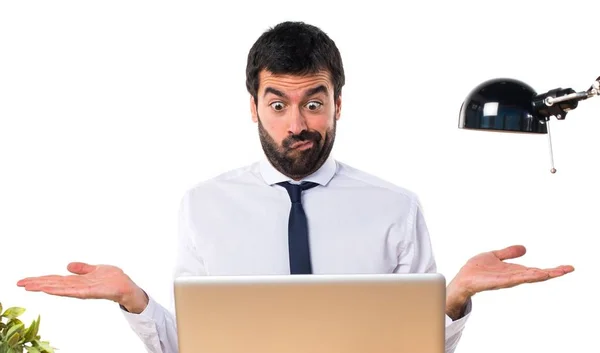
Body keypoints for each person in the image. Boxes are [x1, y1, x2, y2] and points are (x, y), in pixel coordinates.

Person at [16, 21, 574, 353]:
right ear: (254, 108)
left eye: (313, 102)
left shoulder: (395, 207)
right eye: (277, 104)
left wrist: (453, 301)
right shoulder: (203, 205)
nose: (297, 124)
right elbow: (194, 345)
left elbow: (416, 348)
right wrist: (132, 300)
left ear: (338, 104)